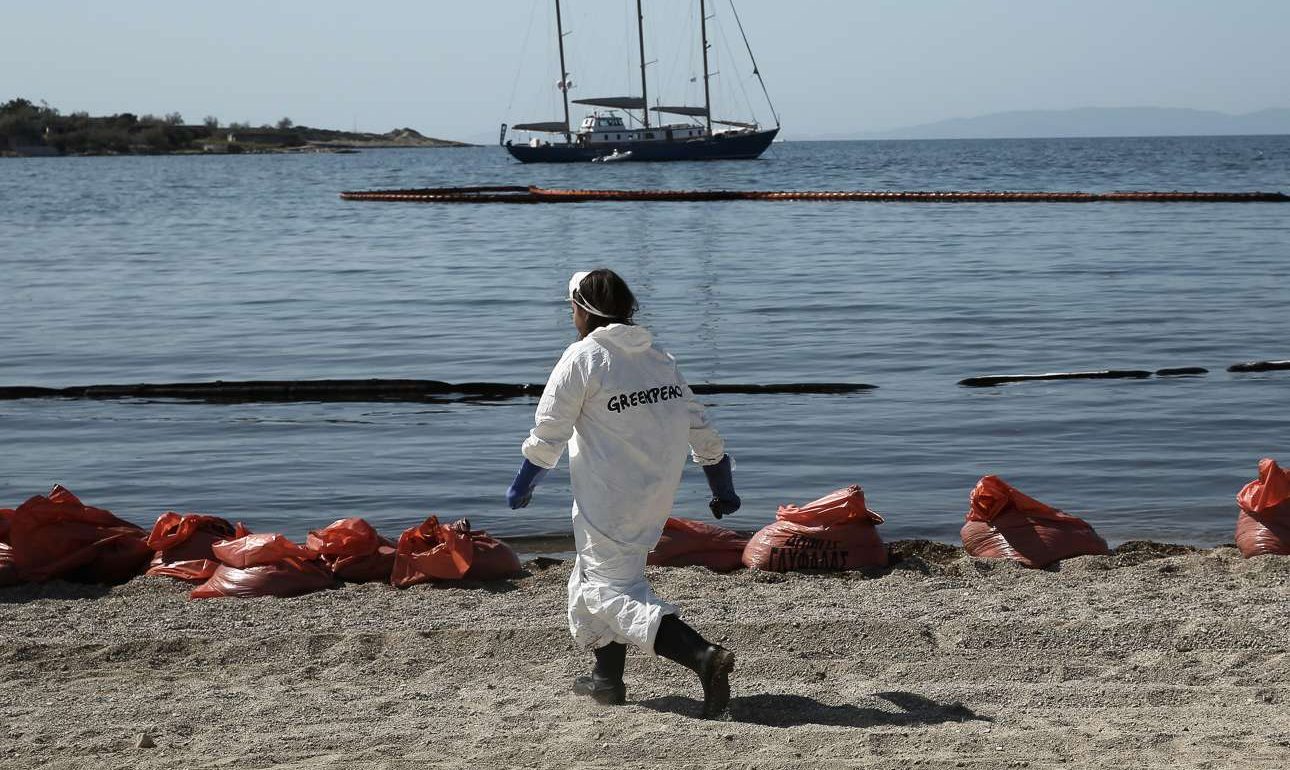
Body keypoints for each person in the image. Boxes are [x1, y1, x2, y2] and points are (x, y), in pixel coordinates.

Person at [506, 268, 742, 719]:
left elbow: (549, 432)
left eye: (571, 308)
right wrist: (721, 486)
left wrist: (522, 485)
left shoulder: (583, 358)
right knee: (594, 577)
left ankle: (702, 657)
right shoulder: (658, 358)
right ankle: (607, 681)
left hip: (609, 497)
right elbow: (700, 428)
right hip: (654, 493)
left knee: (607, 590)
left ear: (582, 310)